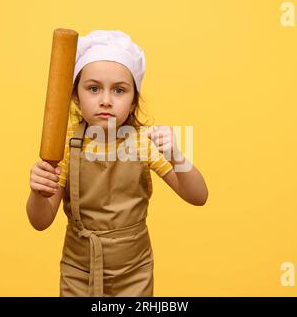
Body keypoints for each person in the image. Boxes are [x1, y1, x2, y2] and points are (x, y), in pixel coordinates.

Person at [26, 30, 208, 297]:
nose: (106, 100)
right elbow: (40, 221)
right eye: (93, 88)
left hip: (134, 271)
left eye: (119, 90)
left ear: (134, 99)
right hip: (80, 270)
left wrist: (176, 155)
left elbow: (198, 196)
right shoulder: (63, 146)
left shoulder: (145, 143)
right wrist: (37, 191)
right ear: (75, 95)